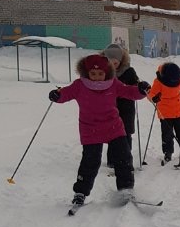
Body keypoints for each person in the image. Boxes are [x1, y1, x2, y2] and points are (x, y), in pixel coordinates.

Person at [50, 52, 149, 208]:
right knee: (90, 162)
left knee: (123, 158)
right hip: (91, 129)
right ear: (86, 73)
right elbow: (66, 93)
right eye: (93, 73)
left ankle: (126, 189)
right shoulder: (80, 85)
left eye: (100, 73)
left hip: (114, 127)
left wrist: (141, 90)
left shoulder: (113, 83)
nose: (97, 77)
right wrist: (57, 95)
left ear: (107, 73)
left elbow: (129, 92)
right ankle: (80, 193)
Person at [103, 43, 143, 169]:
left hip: (126, 108)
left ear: (120, 61)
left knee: (125, 134)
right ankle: (111, 160)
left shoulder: (129, 72)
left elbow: (137, 85)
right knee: (112, 134)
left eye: (115, 63)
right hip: (110, 108)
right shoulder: (104, 72)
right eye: (110, 63)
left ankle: (125, 159)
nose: (113, 66)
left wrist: (140, 87)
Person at [148, 61, 180, 166]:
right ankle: (168, 153)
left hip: (178, 112)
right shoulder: (158, 81)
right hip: (164, 114)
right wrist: (154, 98)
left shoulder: (178, 80)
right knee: (167, 135)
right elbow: (151, 93)